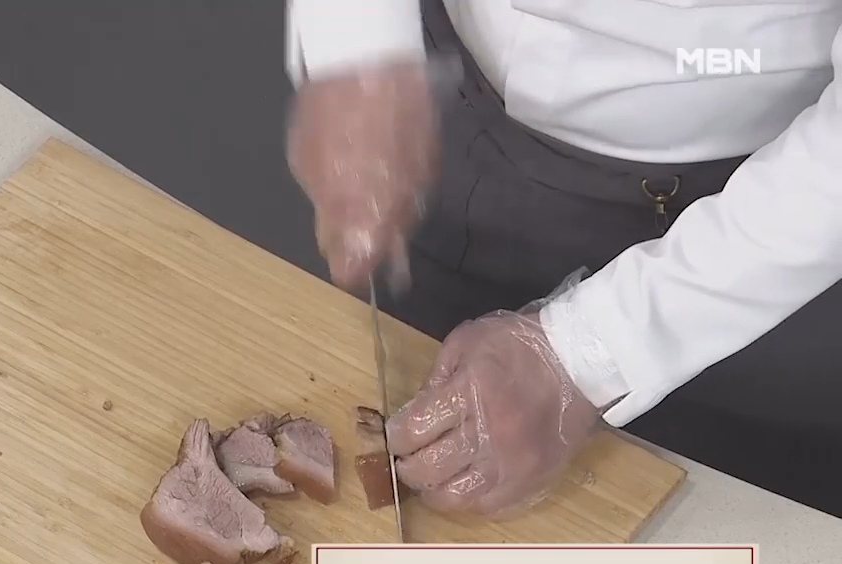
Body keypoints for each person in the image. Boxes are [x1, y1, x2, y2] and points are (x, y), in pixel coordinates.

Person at [284, 0, 842, 516]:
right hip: (447, 113)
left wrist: (587, 351)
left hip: (773, 218)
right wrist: (358, 44)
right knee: (422, 411)